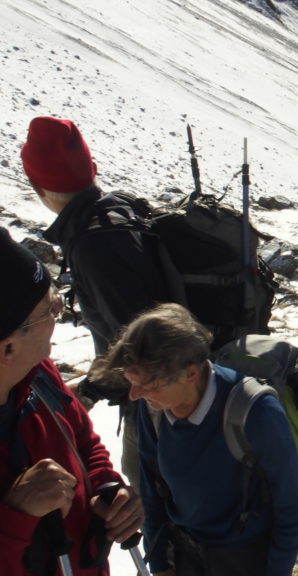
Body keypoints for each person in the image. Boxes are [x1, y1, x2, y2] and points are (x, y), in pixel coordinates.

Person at [20, 115, 181, 490]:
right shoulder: (118, 212)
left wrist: (92, 391)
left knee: (151, 492)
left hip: (158, 396)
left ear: (38, 185)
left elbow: (139, 339)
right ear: (90, 169)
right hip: (177, 381)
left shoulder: (94, 244)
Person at [90, 303, 298, 576]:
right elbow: (151, 490)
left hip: (245, 558)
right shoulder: (154, 410)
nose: (134, 395)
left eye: (147, 384)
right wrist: (159, 564)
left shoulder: (254, 411)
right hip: (184, 551)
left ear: (190, 374)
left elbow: (292, 505)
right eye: (131, 382)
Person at [1, 227, 143, 576]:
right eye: (48, 310)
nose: (57, 315)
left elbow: (82, 441)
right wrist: (15, 517)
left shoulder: (39, 374)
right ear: (8, 348)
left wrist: (106, 486)